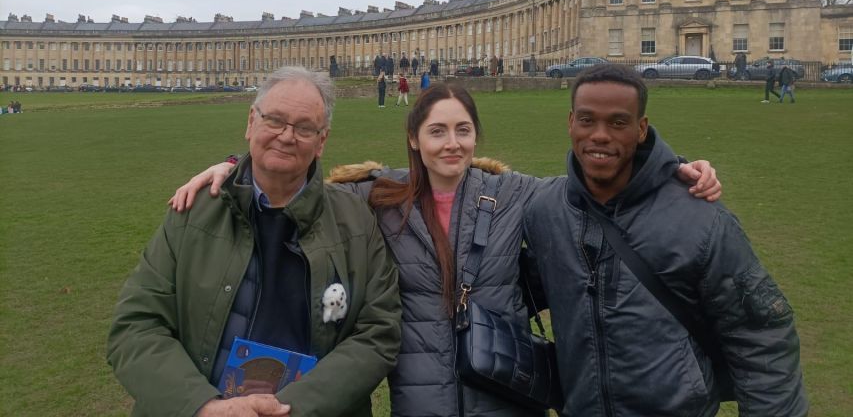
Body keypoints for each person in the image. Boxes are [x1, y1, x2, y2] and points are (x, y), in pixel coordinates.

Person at [170, 86, 722, 417]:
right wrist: (230, 166)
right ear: (414, 138)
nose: (450, 143)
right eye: (436, 131)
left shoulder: (514, 194)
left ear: (476, 135)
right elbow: (293, 184)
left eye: (462, 130)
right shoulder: (375, 196)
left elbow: (594, 187)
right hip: (420, 395)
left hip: (505, 389)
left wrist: (672, 170)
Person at [107, 67, 401, 417]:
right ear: (251, 122)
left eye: (304, 127)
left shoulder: (355, 220)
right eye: (274, 120)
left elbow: (378, 333)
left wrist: (293, 409)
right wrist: (202, 407)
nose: (287, 136)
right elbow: (136, 326)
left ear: (322, 141)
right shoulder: (194, 210)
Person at [524, 65, 807, 416]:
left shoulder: (700, 219)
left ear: (641, 129)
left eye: (617, 122)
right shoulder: (545, 210)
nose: (599, 135)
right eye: (586, 120)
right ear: (570, 122)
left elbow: (761, 340)